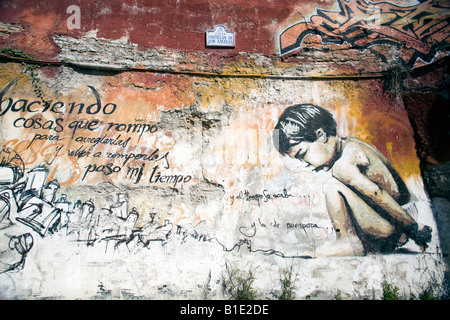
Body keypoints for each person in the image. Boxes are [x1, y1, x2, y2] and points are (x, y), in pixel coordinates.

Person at [273, 104, 432, 256]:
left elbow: (376, 193)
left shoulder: (343, 166)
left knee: (331, 186)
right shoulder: (351, 144)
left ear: (320, 135)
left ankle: (349, 241)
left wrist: (412, 227)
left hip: (391, 227)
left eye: (303, 154)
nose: (305, 163)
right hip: (392, 223)